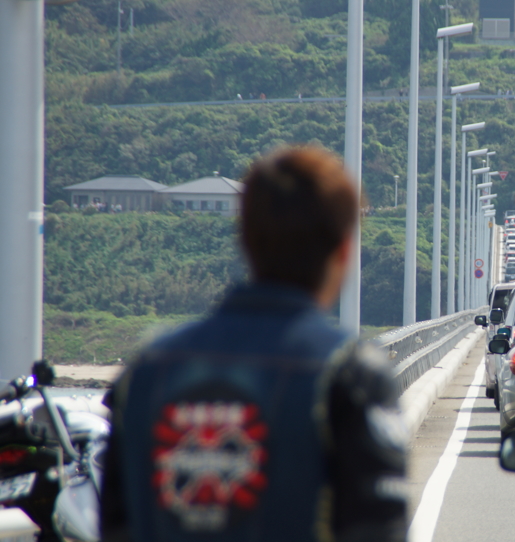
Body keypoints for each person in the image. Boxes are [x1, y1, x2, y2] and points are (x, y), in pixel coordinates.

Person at [101, 146, 407, 542]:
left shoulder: (146, 371)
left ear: (244, 239)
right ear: (344, 252)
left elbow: (115, 525)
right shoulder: (350, 373)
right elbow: (377, 530)